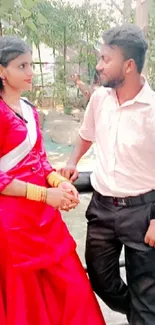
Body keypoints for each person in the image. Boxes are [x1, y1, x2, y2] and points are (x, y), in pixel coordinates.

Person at [0, 35, 106, 325]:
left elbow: (40, 161)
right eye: (22, 66)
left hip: (45, 219)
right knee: (26, 299)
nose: (30, 72)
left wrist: (59, 182)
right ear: (1, 71)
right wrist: (47, 195)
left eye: (30, 65)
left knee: (72, 288)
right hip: (12, 223)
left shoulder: (31, 111)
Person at [60, 24, 155, 325]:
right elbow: (87, 133)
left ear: (128, 65)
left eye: (105, 59)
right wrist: (73, 160)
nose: (98, 66)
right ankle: (143, 311)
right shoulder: (100, 99)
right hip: (101, 207)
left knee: (146, 289)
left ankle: (145, 313)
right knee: (100, 279)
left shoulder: (153, 110)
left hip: (143, 212)